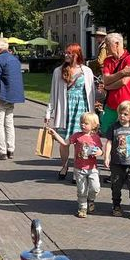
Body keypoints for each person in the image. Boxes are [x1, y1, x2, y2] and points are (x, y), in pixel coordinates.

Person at [45, 43, 97, 179]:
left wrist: (92, 113)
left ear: (77, 55)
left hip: (81, 109)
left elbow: (91, 93)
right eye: (66, 53)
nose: (66, 55)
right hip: (64, 109)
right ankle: (64, 165)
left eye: (69, 53)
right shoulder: (58, 71)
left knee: (80, 141)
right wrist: (48, 112)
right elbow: (53, 93)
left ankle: (77, 169)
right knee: (64, 140)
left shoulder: (87, 71)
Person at [49, 112, 102, 218]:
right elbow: (65, 143)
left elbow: (100, 151)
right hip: (79, 168)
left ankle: (90, 200)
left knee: (95, 188)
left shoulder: (95, 138)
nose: (82, 125)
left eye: (86, 123)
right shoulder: (76, 136)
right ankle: (82, 207)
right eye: (81, 122)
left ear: (93, 125)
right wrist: (55, 134)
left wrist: (99, 153)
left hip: (92, 168)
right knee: (81, 189)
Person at [0, 38, 25, 159]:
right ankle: (11, 148)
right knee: (9, 122)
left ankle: (1, 150)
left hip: (1, 95)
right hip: (12, 95)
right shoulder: (15, 59)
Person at [100, 33, 130, 134]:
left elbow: (124, 82)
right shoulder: (107, 61)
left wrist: (108, 87)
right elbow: (106, 80)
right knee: (107, 134)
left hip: (128, 106)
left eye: (107, 45)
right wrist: (122, 72)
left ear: (116, 44)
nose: (106, 48)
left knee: (128, 137)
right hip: (111, 105)